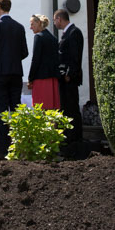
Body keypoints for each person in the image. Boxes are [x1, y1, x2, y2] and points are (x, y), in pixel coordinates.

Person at [0, 0, 28, 159]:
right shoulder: (19, 27)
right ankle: (19, 147)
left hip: (0, 73)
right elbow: (24, 52)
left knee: (3, 112)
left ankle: (4, 150)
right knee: (16, 109)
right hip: (16, 73)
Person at [53, 8, 84, 142]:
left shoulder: (74, 32)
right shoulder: (68, 33)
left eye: (55, 20)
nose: (54, 23)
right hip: (64, 79)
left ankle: (74, 141)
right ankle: (68, 141)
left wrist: (69, 74)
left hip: (69, 80)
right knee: (66, 109)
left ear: (59, 19)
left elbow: (74, 56)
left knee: (71, 110)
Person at [27, 14, 60, 109]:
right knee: (52, 110)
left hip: (41, 79)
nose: (31, 27)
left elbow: (36, 59)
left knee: (40, 109)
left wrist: (30, 78)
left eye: (32, 24)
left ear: (39, 23)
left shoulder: (38, 37)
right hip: (53, 79)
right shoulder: (53, 38)